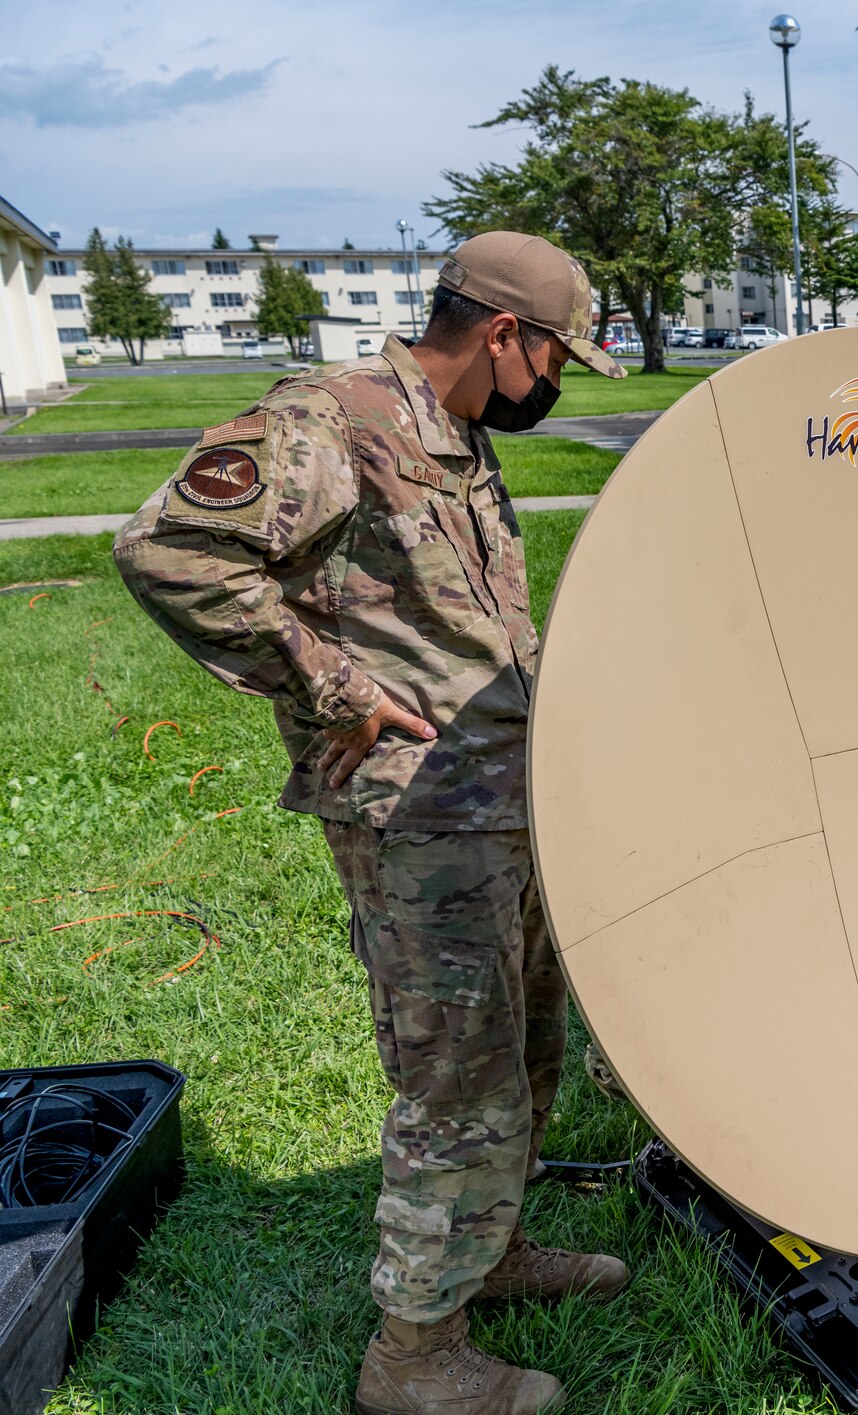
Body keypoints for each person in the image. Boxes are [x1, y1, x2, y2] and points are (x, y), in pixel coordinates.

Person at [114, 231, 637, 1415]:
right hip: (419, 820)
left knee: (525, 1048)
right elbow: (171, 553)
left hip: (503, 799)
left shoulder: (450, 435)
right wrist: (337, 688)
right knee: (456, 1078)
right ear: (504, 333)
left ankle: (488, 1252)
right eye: (557, 353)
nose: (558, 379)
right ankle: (414, 1354)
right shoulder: (332, 419)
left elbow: (461, 619)